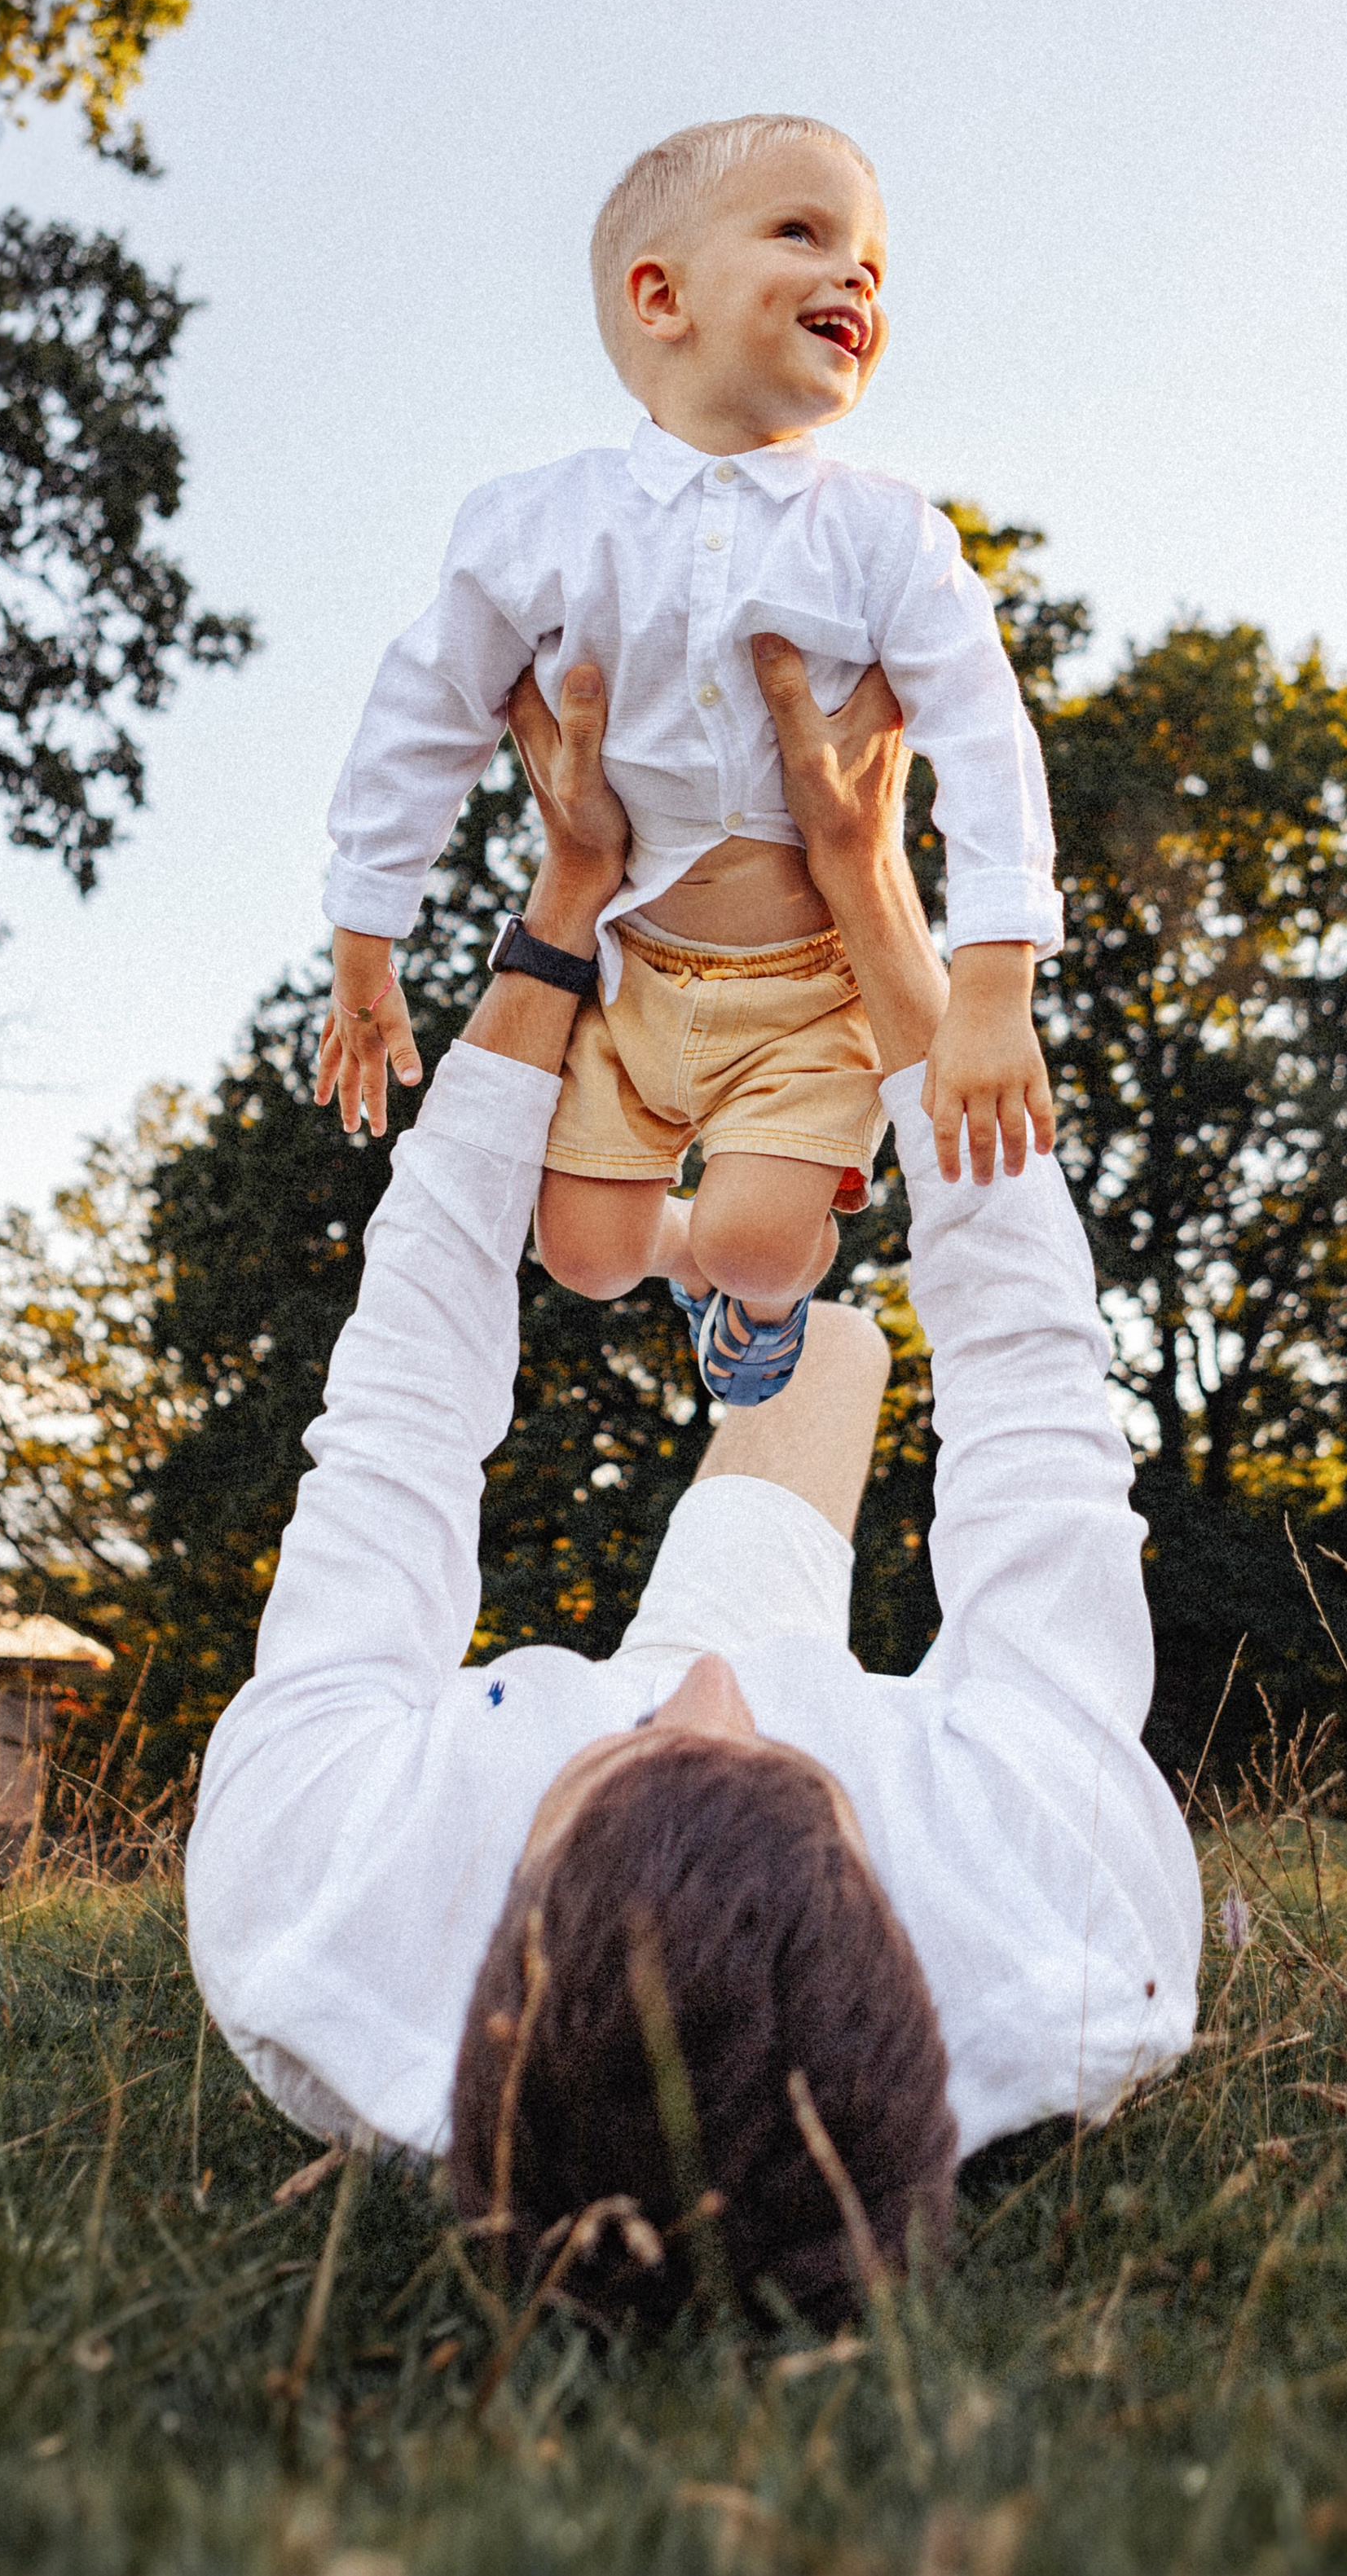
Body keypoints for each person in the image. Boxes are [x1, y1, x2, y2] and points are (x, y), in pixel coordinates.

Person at [185, 646, 1202, 2328]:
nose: (704, 1679)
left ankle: (710, 1265)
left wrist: (564, 898)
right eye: (772, 1752)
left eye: (632, 1737)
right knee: (853, 1353)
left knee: (780, 1391)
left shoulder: (312, 1886)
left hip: (477, 1859)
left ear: (499, 1919)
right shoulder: (1069, 1898)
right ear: (892, 1913)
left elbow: (395, 1417)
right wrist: (877, 897)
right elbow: (1032, 1393)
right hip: (927, 1824)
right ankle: (752, 1292)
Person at [312, 114, 1063, 1407]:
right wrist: (365, 939)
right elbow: (426, 708)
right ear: (660, 296)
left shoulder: (886, 537)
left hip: (810, 993)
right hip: (637, 975)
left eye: (874, 264)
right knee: (588, 1257)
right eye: (803, 234)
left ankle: (759, 1290)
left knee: (758, 1238)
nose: (858, 280)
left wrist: (994, 978)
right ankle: (686, 1263)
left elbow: (985, 735)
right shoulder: (541, 525)